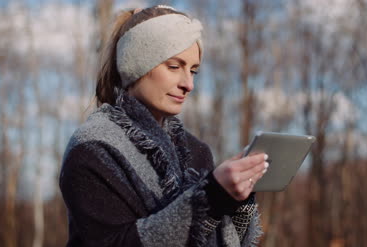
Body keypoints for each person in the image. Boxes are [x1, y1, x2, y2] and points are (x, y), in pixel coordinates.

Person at [59, 5, 268, 247]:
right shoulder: (92, 149)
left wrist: (234, 198)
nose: (188, 84)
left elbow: (213, 237)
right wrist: (211, 197)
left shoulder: (196, 151)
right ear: (136, 65)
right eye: (174, 67)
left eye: (194, 71)